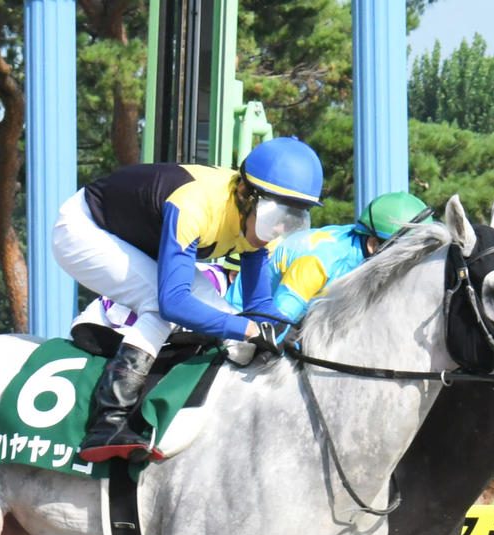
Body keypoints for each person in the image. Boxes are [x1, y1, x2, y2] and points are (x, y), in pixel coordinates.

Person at [51, 136, 324, 463]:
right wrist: (250, 330)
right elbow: (174, 302)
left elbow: (259, 305)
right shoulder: (196, 205)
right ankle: (107, 420)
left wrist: (294, 333)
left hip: (135, 237)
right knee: (158, 304)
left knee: (225, 318)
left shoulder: (257, 220)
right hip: (84, 229)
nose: (281, 227)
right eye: (278, 213)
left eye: (294, 217)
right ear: (244, 195)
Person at [267, 190, 432, 323]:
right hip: (250, 319)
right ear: (373, 244)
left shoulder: (365, 252)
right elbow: (273, 324)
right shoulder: (322, 259)